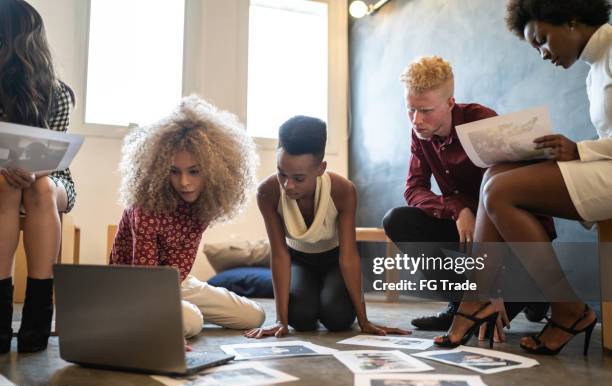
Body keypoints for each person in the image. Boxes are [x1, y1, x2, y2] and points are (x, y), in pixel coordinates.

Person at [435, 0, 610, 355]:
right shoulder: (596, 69)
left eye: (542, 39)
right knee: (496, 173)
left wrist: (580, 151)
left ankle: (567, 309)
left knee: (500, 192)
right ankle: (475, 298)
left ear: (572, 20)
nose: (543, 53)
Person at [382, 56, 553, 334]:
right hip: (468, 230)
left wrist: (492, 288)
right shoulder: (420, 134)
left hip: (513, 233)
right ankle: (459, 303)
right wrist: (458, 209)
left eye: (426, 110)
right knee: (398, 220)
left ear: (450, 103)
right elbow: (414, 189)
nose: (417, 120)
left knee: (489, 320)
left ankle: (533, 289)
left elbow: (511, 190)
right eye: (410, 109)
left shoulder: (482, 121)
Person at [110, 96, 265, 338]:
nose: (184, 182)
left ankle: (166, 316)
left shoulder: (203, 202)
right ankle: (134, 316)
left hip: (178, 282)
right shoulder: (147, 207)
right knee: (192, 322)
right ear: (160, 170)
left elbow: (178, 269)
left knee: (255, 316)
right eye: (174, 172)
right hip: (137, 286)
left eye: (194, 171)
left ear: (214, 171)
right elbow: (146, 278)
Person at [245, 116, 409, 338]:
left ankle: (335, 304)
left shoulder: (343, 191)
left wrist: (364, 321)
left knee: (337, 318)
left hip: (335, 261)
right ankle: (299, 307)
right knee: (300, 318)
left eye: (299, 178)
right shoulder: (268, 192)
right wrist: (280, 321)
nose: (288, 185)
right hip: (299, 259)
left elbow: (349, 256)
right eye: (281, 173)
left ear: (321, 168)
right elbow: (279, 254)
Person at [0, 0, 77, 353]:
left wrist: (32, 171)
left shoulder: (57, 93)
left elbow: (56, 157)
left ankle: (36, 321)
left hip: (49, 178)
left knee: (41, 189)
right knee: (4, 185)